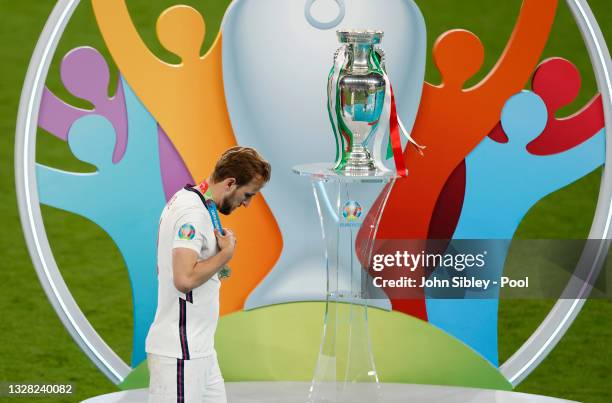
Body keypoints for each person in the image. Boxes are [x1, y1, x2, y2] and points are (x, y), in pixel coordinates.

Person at [145, 146, 271, 402]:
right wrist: (225, 255)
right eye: (248, 195)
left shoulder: (196, 200)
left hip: (200, 350)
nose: (246, 203)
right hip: (180, 355)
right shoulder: (193, 214)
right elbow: (184, 279)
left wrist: (216, 262)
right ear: (231, 182)